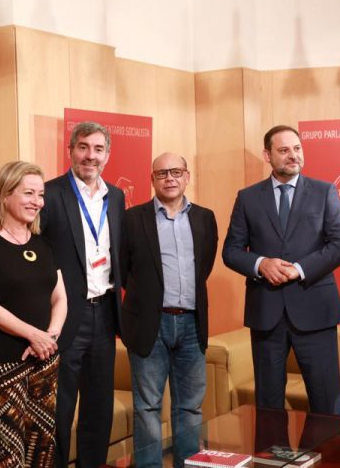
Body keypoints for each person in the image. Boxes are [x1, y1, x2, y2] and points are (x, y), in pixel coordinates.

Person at [222, 125, 340, 415]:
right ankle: (271, 448)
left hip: (315, 311)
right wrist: (260, 264)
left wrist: (300, 269)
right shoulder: (248, 198)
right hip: (266, 314)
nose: (293, 155)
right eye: (284, 150)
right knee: (268, 406)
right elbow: (231, 251)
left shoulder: (324, 192)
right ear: (267, 155)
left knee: (326, 403)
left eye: (297, 148)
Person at [0, 161, 67, 467]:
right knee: (6, 449)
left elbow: (60, 297)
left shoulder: (44, 245)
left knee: (42, 444)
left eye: (40, 194)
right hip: (4, 358)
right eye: (29, 193)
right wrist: (34, 335)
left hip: (45, 356)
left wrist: (49, 337)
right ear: (5, 194)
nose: (37, 201)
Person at [120, 153, 218, 468]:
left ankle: (186, 464)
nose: (170, 178)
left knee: (190, 407)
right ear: (152, 179)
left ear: (187, 176)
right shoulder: (132, 219)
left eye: (176, 172)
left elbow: (204, 266)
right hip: (150, 323)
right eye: (162, 173)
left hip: (192, 323)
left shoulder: (205, 218)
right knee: (147, 407)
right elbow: (123, 270)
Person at [40, 121, 125, 468]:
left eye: (98, 149)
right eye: (83, 147)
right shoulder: (49, 194)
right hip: (64, 317)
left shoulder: (116, 196)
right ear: (70, 151)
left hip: (105, 314)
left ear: (108, 154)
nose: (91, 156)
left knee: (98, 408)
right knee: (59, 409)